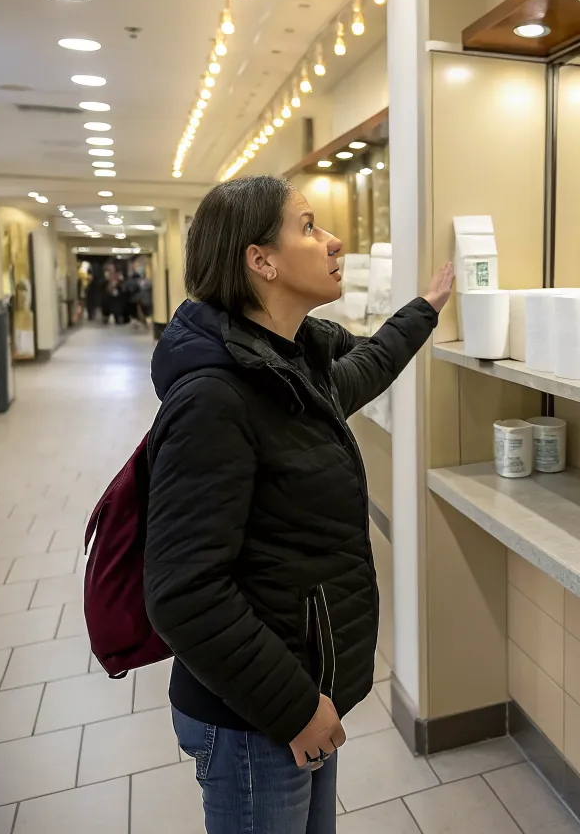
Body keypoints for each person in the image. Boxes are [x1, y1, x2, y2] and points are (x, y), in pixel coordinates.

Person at [143, 176, 453, 833]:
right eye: (309, 227)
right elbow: (182, 591)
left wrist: (425, 309)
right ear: (262, 261)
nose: (333, 241)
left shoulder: (287, 370)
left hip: (295, 694)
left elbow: (363, 369)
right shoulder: (215, 400)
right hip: (255, 718)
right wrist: (294, 708)